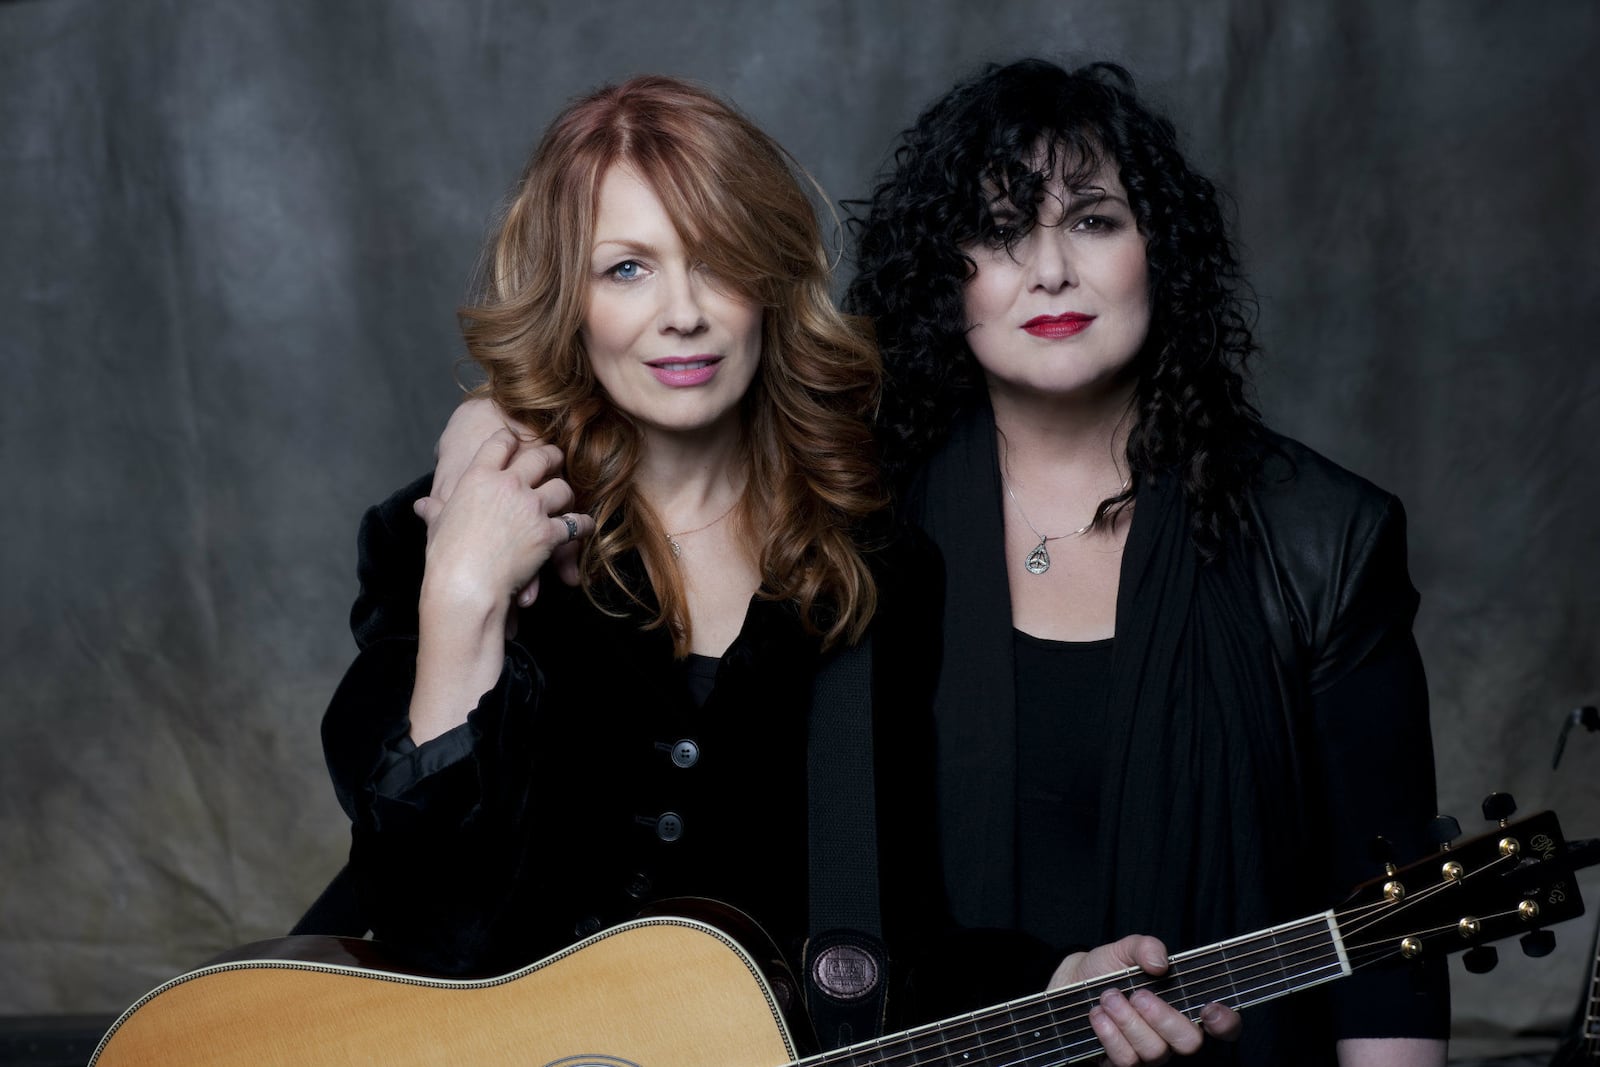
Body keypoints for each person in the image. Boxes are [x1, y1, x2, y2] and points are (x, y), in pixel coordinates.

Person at [322, 74, 1232, 1061]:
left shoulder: (873, 564)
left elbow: (892, 937)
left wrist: (1052, 983)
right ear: (567, 299)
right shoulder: (445, 530)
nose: (681, 314)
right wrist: (462, 592)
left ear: (769, 278)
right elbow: (408, 894)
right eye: (626, 269)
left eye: (714, 262)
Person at [842, 59, 1451, 1066]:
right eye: (999, 231)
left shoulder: (1321, 533)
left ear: (1156, 250)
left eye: (1091, 220)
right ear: (941, 274)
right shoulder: (851, 528)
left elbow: (1388, 931)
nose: (1048, 270)